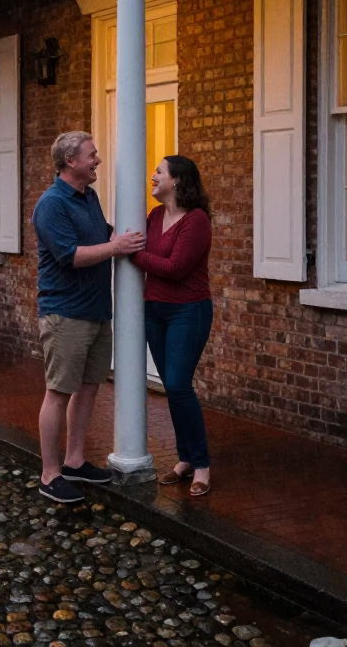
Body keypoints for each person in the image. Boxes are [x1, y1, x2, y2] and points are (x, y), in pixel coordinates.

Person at [32, 130, 145, 504]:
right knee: (59, 392)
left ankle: (75, 461)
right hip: (64, 313)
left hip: (97, 311)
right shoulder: (51, 205)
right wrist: (115, 248)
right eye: (91, 155)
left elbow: (103, 235)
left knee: (90, 387)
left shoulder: (89, 197)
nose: (97, 160)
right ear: (70, 162)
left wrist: (129, 238)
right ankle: (50, 474)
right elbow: (70, 256)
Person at [131, 155, 214, 496]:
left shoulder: (196, 221)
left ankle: (203, 466)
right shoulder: (154, 216)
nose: (153, 176)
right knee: (172, 388)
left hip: (188, 311)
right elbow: (152, 257)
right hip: (155, 311)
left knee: (180, 385)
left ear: (177, 180)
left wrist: (131, 254)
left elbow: (175, 267)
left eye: (159, 172)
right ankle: (184, 459)